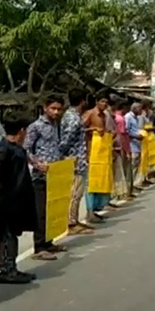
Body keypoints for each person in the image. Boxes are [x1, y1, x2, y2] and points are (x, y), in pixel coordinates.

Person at [24, 95, 67, 261]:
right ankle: (39, 246)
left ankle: (49, 242)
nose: (56, 112)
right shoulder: (36, 126)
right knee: (40, 212)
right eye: (53, 108)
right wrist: (37, 164)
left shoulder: (57, 125)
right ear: (45, 108)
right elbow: (26, 148)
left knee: (52, 209)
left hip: (55, 174)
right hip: (40, 176)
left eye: (58, 109)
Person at [0, 113, 38, 283]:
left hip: (10, 200)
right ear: (22, 131)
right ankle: (7, 270)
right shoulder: (10, 152)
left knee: (8, 234)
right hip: (9, 201)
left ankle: (8, 267)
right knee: (8, 236)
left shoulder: (9, 148)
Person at [59, 89, 94, 235]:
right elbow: (66, 140)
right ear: (83, 101)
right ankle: (71, 222)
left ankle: (74, 219)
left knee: (77, 192)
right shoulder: (73, 118)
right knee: (75, 192)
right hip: (75, 159)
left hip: (76, 158)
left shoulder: (70, 115)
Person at [83, 92, 115, 220]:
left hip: (103, 153)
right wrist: (93, 129)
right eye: (102, 101)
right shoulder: (90, 114)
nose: (104, 104)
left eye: (106, 102)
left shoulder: (106, 115)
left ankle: (96, 208)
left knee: (101, 181)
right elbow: (79, 130)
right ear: (96, 101)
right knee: (91, 183)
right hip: (91, 153)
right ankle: (89, 211)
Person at [114, 100, 134, 201]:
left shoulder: (114, 117)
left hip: (116, 146)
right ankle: (124, 193)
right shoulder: (121, 119)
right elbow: (123, 136)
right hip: (121, 146)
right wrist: (127, 150)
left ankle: (120, 193)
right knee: (124, 171)